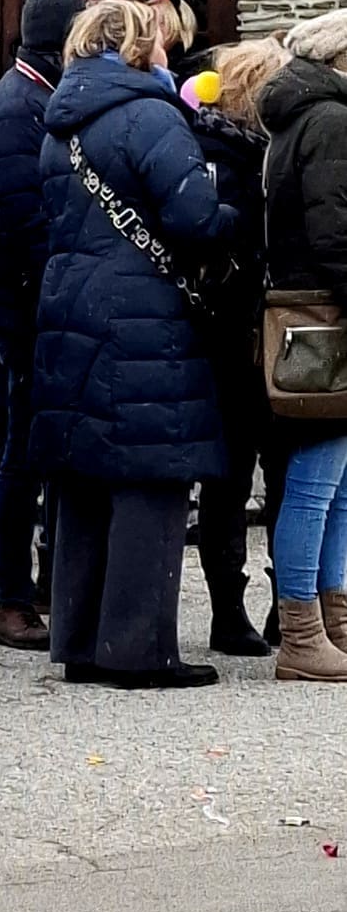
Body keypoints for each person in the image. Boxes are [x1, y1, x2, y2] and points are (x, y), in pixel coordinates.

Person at [34, 0, 236, 688]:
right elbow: (192, 216)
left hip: (70, 300)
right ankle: (138, 649)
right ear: (139, 48)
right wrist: (236, 212)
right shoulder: (150, 114)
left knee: (86, 473)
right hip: (141, 307)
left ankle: (80, 641)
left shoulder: (60, 121)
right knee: (151, 471)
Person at [0, 0, 84, 650]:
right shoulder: (18, 109)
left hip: (34, 303)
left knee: (41, 450)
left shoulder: (34, 97)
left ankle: (41, 586)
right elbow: (26, 222)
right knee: (21, 455)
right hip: (24, 311)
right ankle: (12, 598)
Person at [190, 39, 288, 658]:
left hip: (236, 331)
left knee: (249, 476)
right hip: (239, 330)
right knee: (246, 476)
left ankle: (265, 608)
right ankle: (237, 609)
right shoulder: (235, 158)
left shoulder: (219, 151)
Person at [258, 12, 347, 683]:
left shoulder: (298, 118)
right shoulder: (330, 121)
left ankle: (331, 622)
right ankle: (301, 634)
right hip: (323, 315)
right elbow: (332, 232)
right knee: (316, 485)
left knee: (333, 482)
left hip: (308, 310)